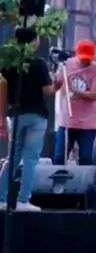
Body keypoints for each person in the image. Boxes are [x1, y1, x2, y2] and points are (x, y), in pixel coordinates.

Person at [0, 28, 56, 211]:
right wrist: (58, 84)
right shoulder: (39, 64)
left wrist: (1, 117)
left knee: (12, 158)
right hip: (36, 115)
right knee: (31, 159)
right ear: (33, 41)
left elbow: (3, 92)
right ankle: (23, 200)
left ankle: (1, 198)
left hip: (16, 114)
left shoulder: (9, 64)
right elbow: (48, 90)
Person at [53, 39, 96, 166]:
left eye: (88, 58)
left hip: (88, 123)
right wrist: (58, 71)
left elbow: (94, 95)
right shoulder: (67, 64)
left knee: (85, 159)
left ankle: (84, 179)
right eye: (82, 58)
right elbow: (57, 84)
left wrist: (73, 90)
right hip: (67, 121)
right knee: (60, 157)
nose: (85, 61)